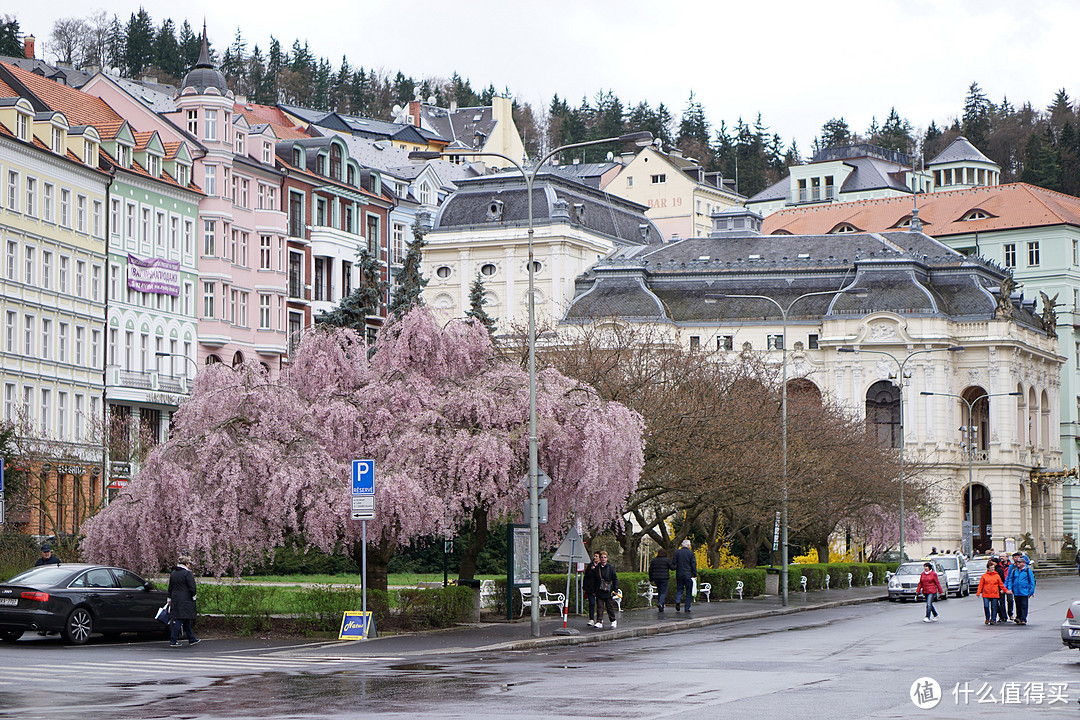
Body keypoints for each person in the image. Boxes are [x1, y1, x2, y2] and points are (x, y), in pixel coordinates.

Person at [168, 555, 201, 647]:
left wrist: (169, 598)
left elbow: (170, 587)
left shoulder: (173, 573)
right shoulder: (187, 573)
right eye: (189, 563)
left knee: (185, 619)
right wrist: (194, 596)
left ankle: (192, 638)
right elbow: (192, 587)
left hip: (176, 598)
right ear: (186, 564)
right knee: (181, 619)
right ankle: (173, 640)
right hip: (185, 599)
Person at [1005, 552, 1035, 625]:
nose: (1017, 564)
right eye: (1017, 562)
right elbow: (1010, 580)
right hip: (1016, 591)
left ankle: (1023, 618)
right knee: (1018, 605)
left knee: (1024, 605)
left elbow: (1032, 582)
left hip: (1024, 591)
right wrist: (1009, 588)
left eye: (1019, 562)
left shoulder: (1028, 571)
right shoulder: (1014, 571)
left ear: (1023, 563)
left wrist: (1031, 591)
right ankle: (1018, 617)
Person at [976, 559, 1007, 625]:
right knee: (986, 606)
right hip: (986, 594)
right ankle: (987, 618)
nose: (993, 569)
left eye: (993, 568)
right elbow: (981, 585)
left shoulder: (997, 576)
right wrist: (978, 592)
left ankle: (993, 619)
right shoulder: (984, 576)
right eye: (991, 568)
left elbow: (1001, 584)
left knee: (994, 607)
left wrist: (1006, 591)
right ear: (988, 568)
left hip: (994, 594)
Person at [594, 551, 619, 629]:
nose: (603, 559)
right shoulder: (597, 568)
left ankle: (613, 620)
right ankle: (599, 621)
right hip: (599, 589)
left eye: (605, 557)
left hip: (608, 590)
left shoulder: (610, 567)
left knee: (609, 606)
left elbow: (615, 579)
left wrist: (615, 589)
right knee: (600, 606)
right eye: (602, 557)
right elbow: (595, 580)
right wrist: (594, 591)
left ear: (607, 558)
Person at [673, 539, 697, 614]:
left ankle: (678, 600)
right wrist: (695, 574)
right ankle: (687, 608)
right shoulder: (691, 553)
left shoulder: (677, 553)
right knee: (688, 591)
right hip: (688, 574)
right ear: (688, 545)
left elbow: (674, 563)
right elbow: (693, 564)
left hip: (679, 574)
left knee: (679, 589)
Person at [648, 548, 673, 613]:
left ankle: (661, 608)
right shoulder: (666, 560)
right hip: (664, 578)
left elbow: (650, 569)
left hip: (656, 578)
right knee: (663, 592)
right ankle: (660, 603)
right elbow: (672, 568)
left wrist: (651, 578)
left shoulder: (654, 560)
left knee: (659, 591)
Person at [583, 551, 601, 628]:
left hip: (599, 588)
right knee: (592, 603)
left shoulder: (601, 566)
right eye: (594, 556)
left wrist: (595, 570)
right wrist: (584, 587)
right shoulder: (590, 565)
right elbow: (586, 576)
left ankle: (599, 619)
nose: (595, 558)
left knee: (600, 604)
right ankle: (591, 619)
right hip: (590, 588)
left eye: (596, 556)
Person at [996, 554, 1014, 622]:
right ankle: (1003, 616)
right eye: (1000, 556)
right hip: (1001, 585)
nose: (1001, 558)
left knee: (1010, 600)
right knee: (1001, 601)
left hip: (1009, 585)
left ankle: (1010, 613)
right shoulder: (998, 566)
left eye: (1003, 556)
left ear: (1007, 557)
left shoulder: (1011, 566)